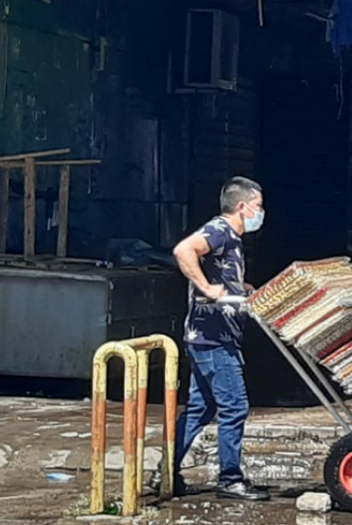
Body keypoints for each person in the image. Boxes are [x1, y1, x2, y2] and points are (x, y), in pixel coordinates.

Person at [150, 176, 269, 501]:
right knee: (235, 407)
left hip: (210, 337)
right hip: (212, 338)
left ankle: (165, 473)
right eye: (258, 206)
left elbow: (221, 273)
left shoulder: (232, 238)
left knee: (200, 409)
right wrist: (206, 287)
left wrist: (237, 288)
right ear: (242, 206)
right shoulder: (219, 230)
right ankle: (230, 479)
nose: (261, 213)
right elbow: (184, 250)